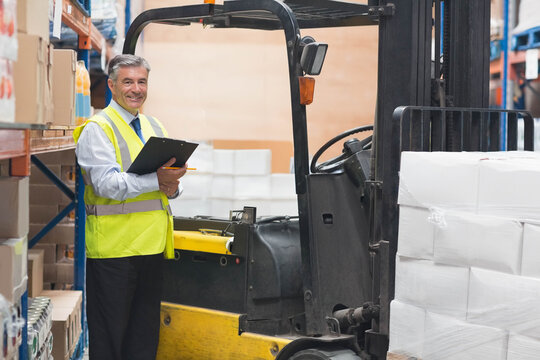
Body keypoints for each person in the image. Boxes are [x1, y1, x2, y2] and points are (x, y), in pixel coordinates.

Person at [73, 54, 186, 360]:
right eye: (128, 82)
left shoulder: (154, 125)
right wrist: (157, 180)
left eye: (141, 81)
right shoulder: (98, 129)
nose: (136, 89)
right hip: (114, 253)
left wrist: (172, 187)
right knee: (110, 342)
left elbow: (162, 184)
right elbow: (107, 185)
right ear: (111, 85)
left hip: (151, 248)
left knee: (143, 340)